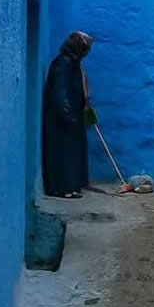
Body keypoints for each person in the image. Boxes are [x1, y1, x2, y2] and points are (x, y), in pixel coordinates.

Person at [42, 31, 93, 199]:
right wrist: (68, 114)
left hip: (71, 117)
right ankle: (61, 188)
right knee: (62, 154)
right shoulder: (62, 63)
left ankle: (70, 187)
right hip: (61, 119)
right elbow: (59, 91)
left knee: (70, 154)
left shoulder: (73, 64)